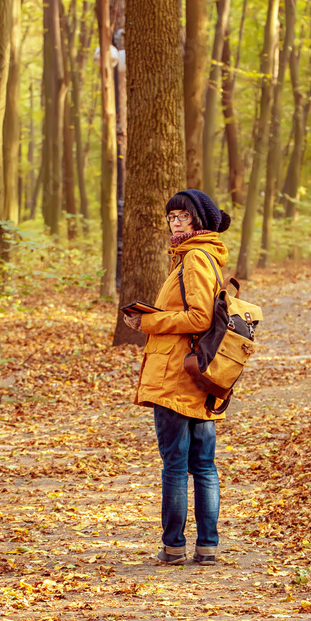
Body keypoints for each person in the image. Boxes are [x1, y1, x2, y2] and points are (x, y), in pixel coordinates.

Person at [123, 189, 231, 566]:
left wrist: (148, 321)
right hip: (197, 373)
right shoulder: (198, 257)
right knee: (202, 463)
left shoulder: (196, 259)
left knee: (180, 464)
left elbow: (199, 317)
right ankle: (206, 546)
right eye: (171, 217)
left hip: (179, 374)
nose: (175, 222)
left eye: (182, 216)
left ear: (198, 221)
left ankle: (174, 547)